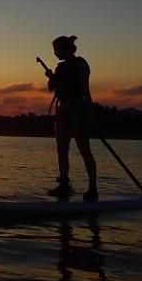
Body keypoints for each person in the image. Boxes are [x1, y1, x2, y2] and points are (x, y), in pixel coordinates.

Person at [44, 35, 98, 202]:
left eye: (56, 50)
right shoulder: (60, 68)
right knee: (62, 149)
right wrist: (51, 76)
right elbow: (51, 87)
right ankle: (64, 185)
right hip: (62, 113)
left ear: (66, 49)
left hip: (77, 111)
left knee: (84, 149)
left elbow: (85, 90)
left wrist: (89, 114)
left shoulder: (80, 64)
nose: (55, 54)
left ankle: (92, 188)